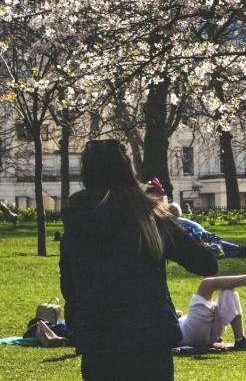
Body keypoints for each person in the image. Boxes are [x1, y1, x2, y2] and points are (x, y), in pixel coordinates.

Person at [59, 139, 218, 381]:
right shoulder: (150, 217)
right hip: (148, 337)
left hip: (99, 340)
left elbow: (69, 286)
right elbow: (205, 263)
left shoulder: (77, 220)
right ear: (128, 170)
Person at [177, 255, 246, 351]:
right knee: (206, 284)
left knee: (228, 291)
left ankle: (240, 340)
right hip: (189, 332)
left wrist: (176, 313)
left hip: (207, 335)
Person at [167, 202, 246, 258]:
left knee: (216, 246)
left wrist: (198, 234)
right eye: (172, 211)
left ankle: (239, 249)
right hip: (199, 235)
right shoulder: (176, 221)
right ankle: (240, 252)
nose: (174, 213)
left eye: (176, 211)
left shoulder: (178, 220)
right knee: (216, 247)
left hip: (200, 235)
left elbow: (195, 228)